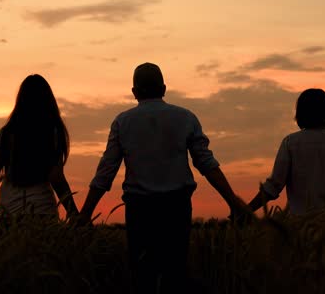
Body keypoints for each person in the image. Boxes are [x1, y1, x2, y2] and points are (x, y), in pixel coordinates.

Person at [80, 62, 249, 294]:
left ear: (134, 92)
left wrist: (85, 214)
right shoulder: (186, 118)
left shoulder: (122, 122)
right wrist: (232, 201)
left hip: (140, 210)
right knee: (175, 276)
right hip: (177, 209)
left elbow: (105, 173)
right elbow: (206, 164)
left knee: (143, 278)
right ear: (164, 88)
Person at [0, 74, 78, 219]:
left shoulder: (6, 133)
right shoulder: (52, 132)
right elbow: (56, 176)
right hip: (42, 210)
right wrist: (73, 213)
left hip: (9, 212)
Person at [248, 88, 325, 214]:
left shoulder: (290, 143)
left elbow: (273, 187)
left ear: (300, 113)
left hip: (301, 227)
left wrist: (246, 211)